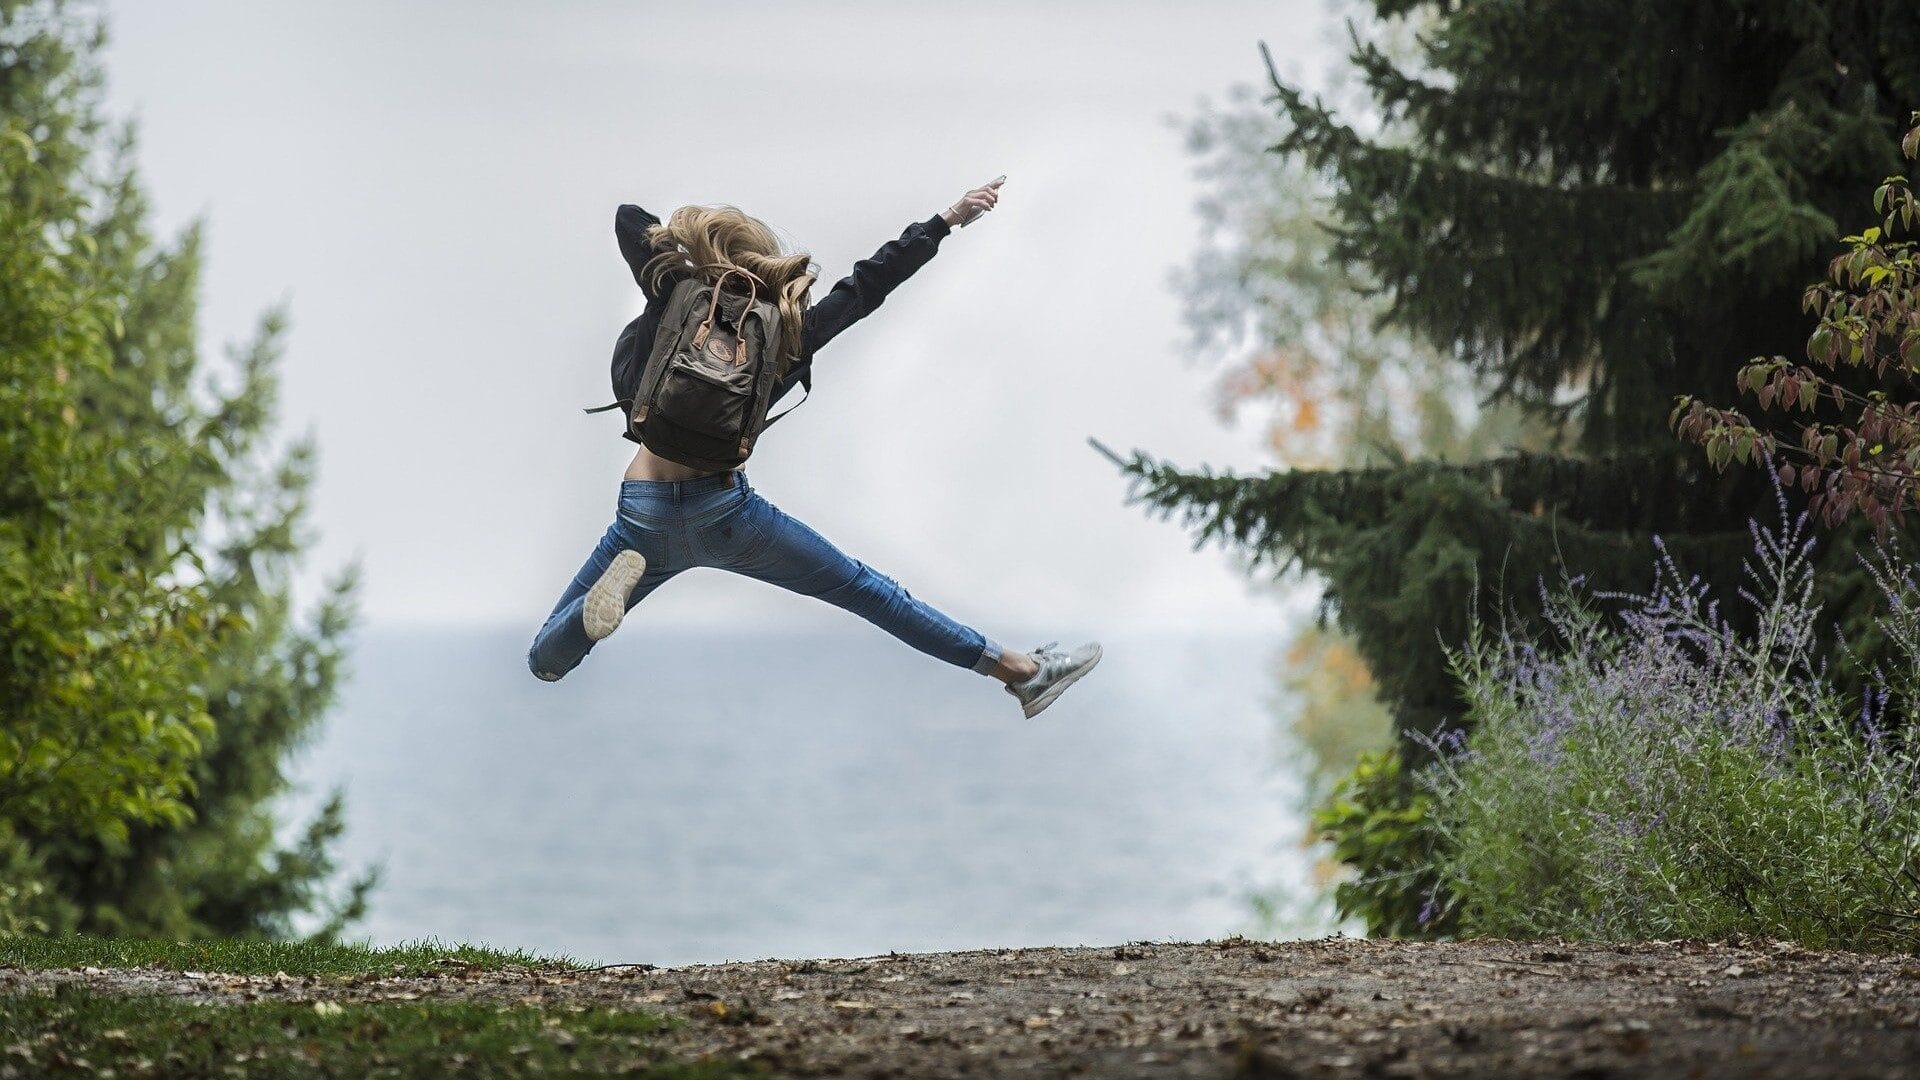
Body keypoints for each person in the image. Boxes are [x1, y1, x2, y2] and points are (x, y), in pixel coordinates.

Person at [526, 178, 1102, 718]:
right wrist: (946, 220)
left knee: (545, 661)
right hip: (726, 514)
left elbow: (630, 219)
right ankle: (1020, 672)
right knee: (868, 592)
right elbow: (867, 287)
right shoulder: (786, 331)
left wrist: (697, 255)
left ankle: (591, 615)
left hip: (643, 512)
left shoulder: (675, 294)